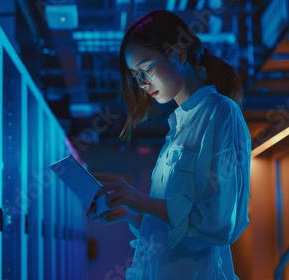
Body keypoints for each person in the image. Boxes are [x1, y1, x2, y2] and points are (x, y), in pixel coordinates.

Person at [86, 9, 251, 279]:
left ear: (179, 54)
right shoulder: (178, 126)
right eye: (135, 76)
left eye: (145, 69)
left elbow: (219, 223)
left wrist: (141, 200)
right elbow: (177, 232)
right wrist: (132, 214)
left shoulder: (221, 112)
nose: (141, 84)